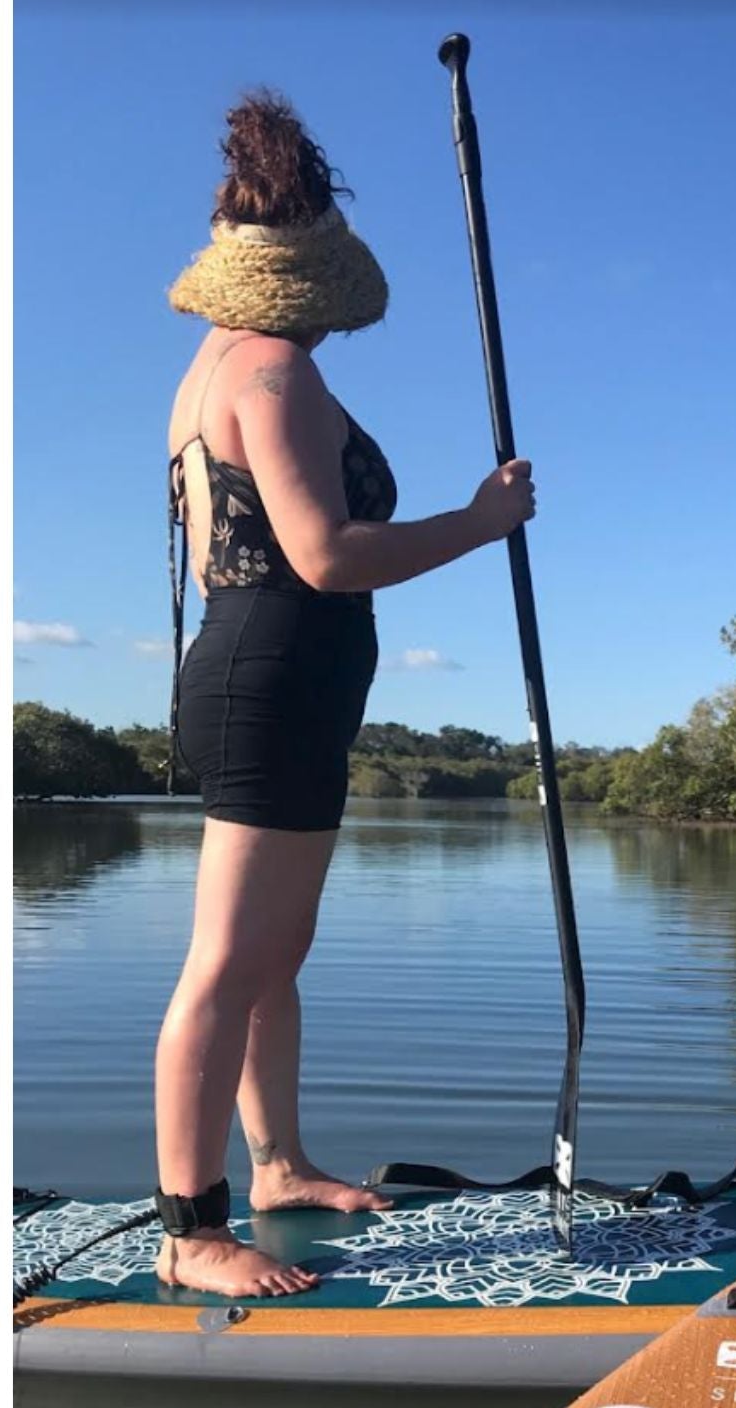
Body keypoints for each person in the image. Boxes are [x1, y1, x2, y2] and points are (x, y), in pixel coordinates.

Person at [156, 91, 535, 1296]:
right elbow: (321, 554)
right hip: (271, 674)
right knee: (228, 962)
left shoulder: (218, 366)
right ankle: (190, 1230)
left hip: (284, 676)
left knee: (276, 953)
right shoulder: (270, 370)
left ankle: (277, 1166)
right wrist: (479, 522)